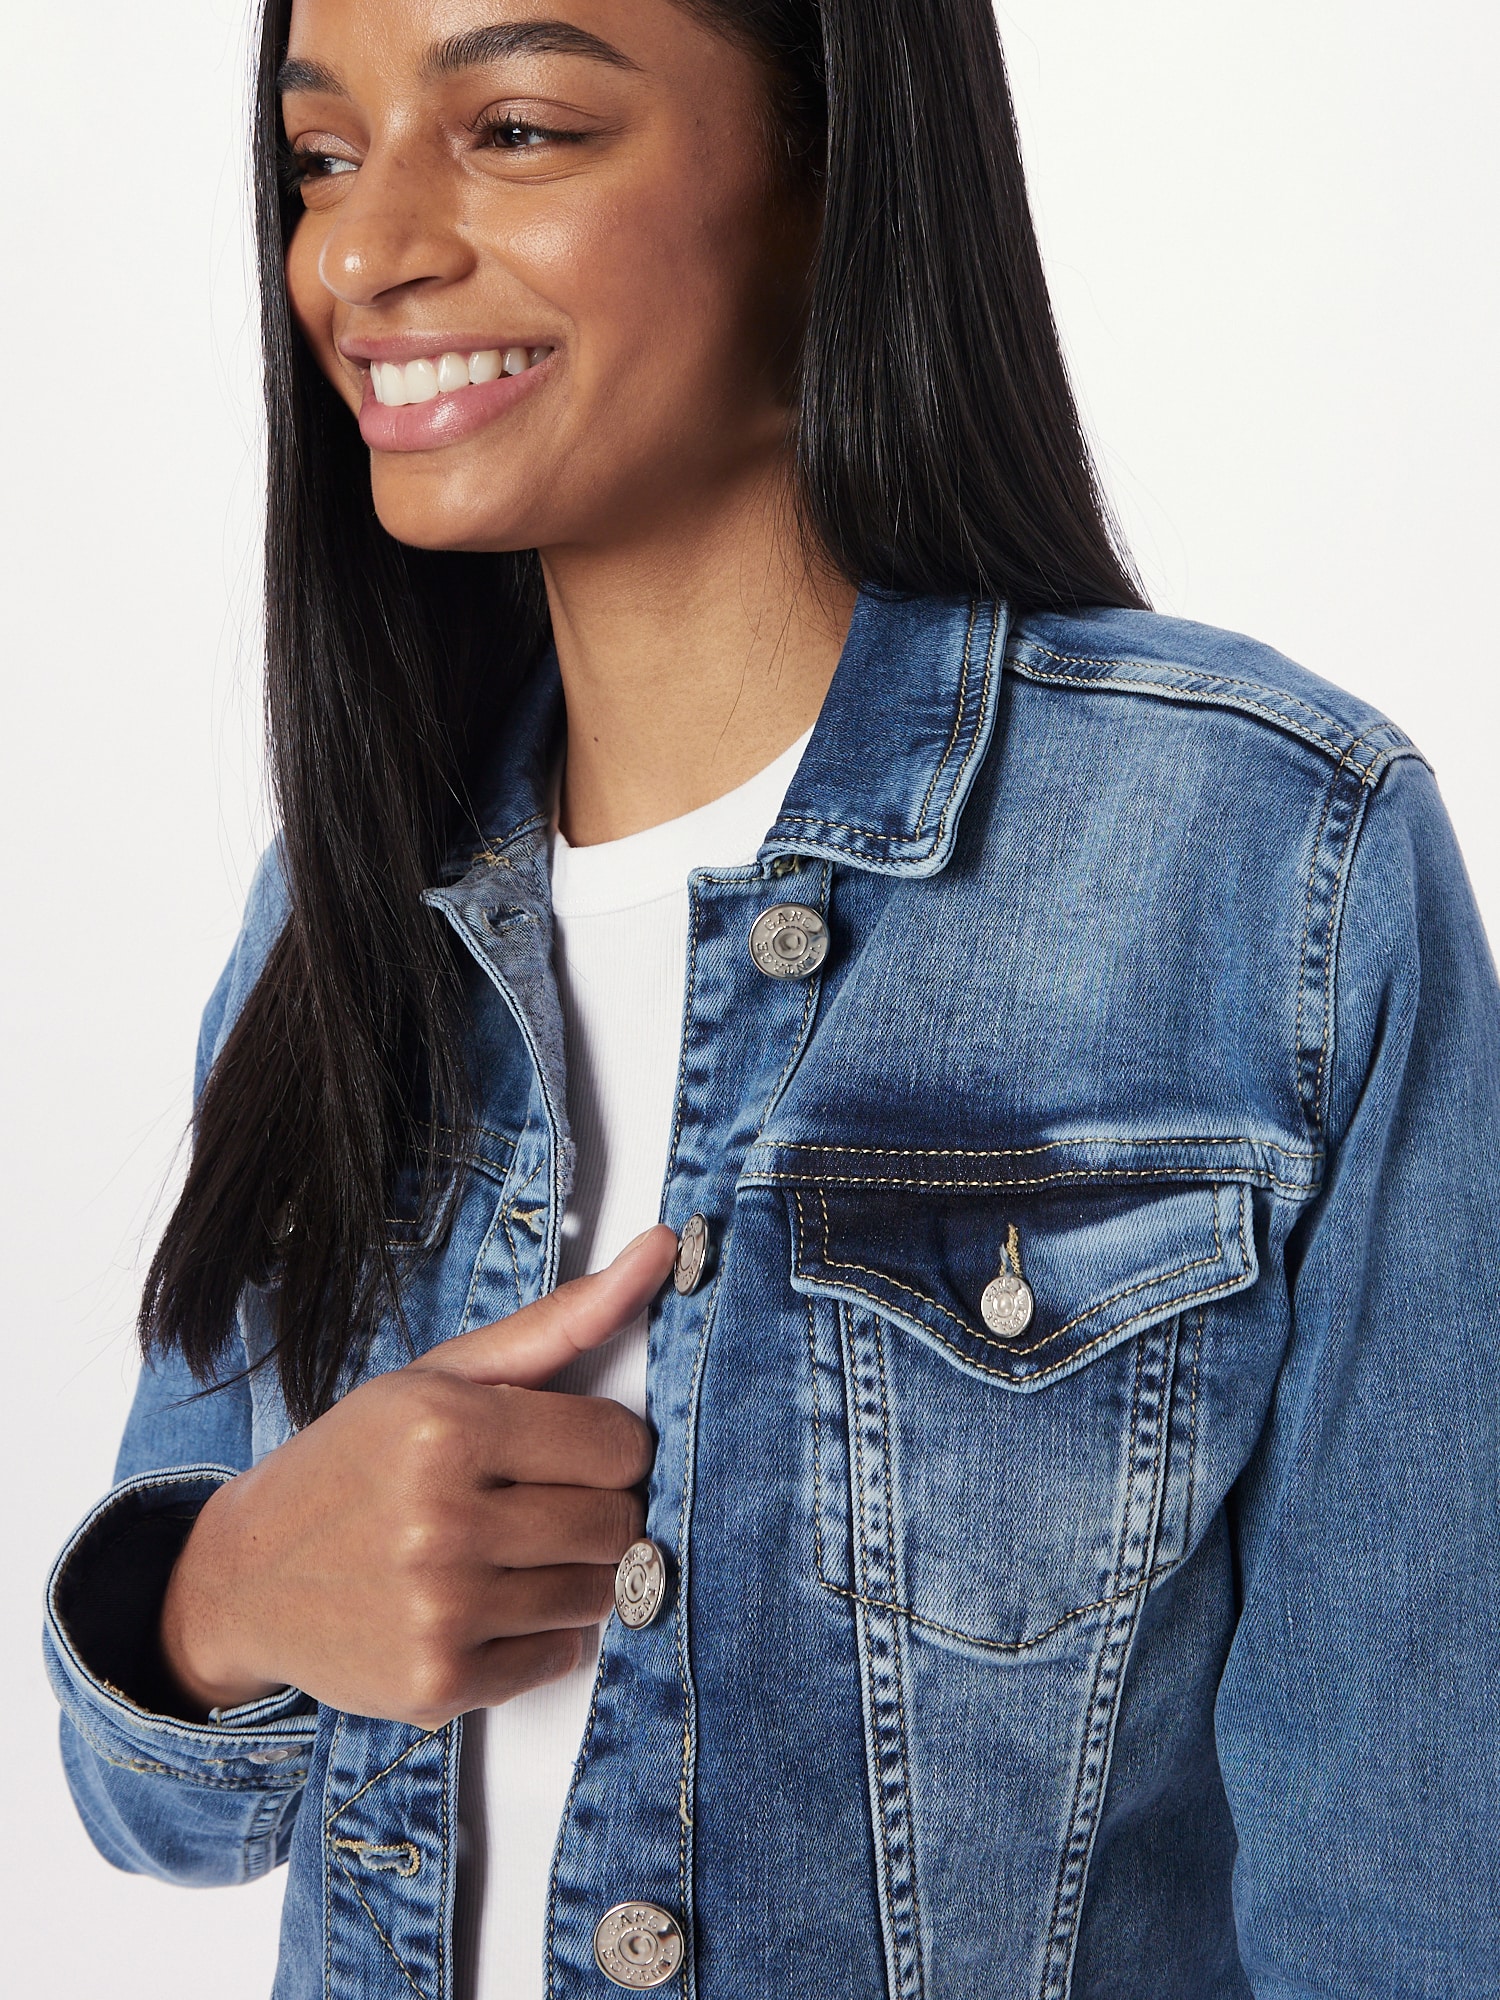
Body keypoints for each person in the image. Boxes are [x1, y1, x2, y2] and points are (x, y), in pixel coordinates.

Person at [42, 0, 1500, 1994]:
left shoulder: (1268, 857)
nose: (361, 252)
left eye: (518, 129)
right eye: (320, 157)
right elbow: (158, 1797)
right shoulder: (345, 896)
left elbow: (1412, 1897)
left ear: (832, 168)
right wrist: (229, 1587)